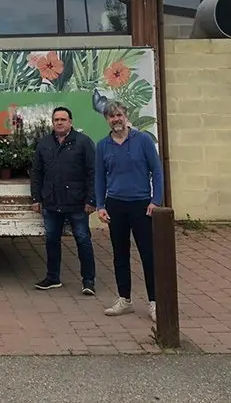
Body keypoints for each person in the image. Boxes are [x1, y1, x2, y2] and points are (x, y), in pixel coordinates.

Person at [94, 100, 164, 322]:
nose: (116, 119)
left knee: (148, 254)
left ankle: (155, 301)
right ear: (107, 120)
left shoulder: (142, 140)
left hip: (141, 205)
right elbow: (98, 177)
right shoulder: (103, 146)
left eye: (119, 115)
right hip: (115, 204)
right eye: (111, 116)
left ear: (126, 116)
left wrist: (156, 200)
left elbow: (157, 171)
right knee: (120, 254)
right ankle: (124, 299)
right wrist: (100, 205)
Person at [30, 106, 97, 294]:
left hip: (77, 202)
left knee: (83, 240)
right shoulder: (44, 143)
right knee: (51, 240)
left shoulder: (83, 142)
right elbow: (36, 172)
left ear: (71, 122)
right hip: (51, 203)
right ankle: (52, 278)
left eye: (63, 119)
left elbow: (93, 172)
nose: (59, 122)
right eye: (56, 120)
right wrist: (36, 197)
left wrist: (92, 200)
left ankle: (88, 281)